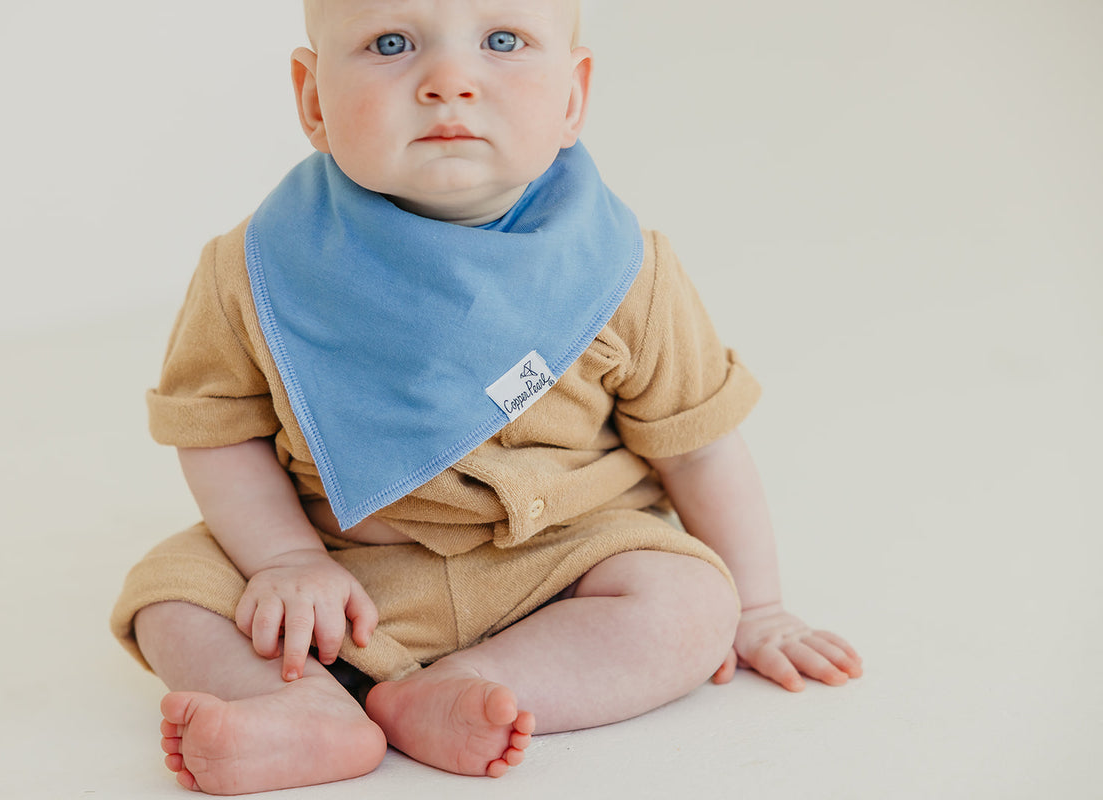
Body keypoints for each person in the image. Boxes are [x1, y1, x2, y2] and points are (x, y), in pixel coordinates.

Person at [110, 0, 862, 793]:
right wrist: (286, 559)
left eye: (503, 41)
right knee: (169, 592)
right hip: (345, 569)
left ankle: (453, 690)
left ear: (572, 98)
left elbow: (700, 445)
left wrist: (759, 612)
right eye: (390, 43)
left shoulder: (619, 267)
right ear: (312, 99)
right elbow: (216, 429)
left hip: (561, 566)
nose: (449, 82)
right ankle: (301, 710)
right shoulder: (257, 269)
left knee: (690, 603)